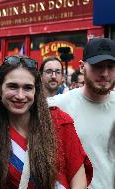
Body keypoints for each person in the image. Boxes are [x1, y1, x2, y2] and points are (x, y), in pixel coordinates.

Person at [0, 55, 92, 189]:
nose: (20, 96)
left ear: (35, 91)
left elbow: (78, 180)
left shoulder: (59, 121)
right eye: (12, 86)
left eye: (28, 88)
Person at [48, 37, 115, 189]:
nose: (105, 73)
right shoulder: (58, 105)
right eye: (97, 66)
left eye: (110, 67)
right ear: (82, 67)